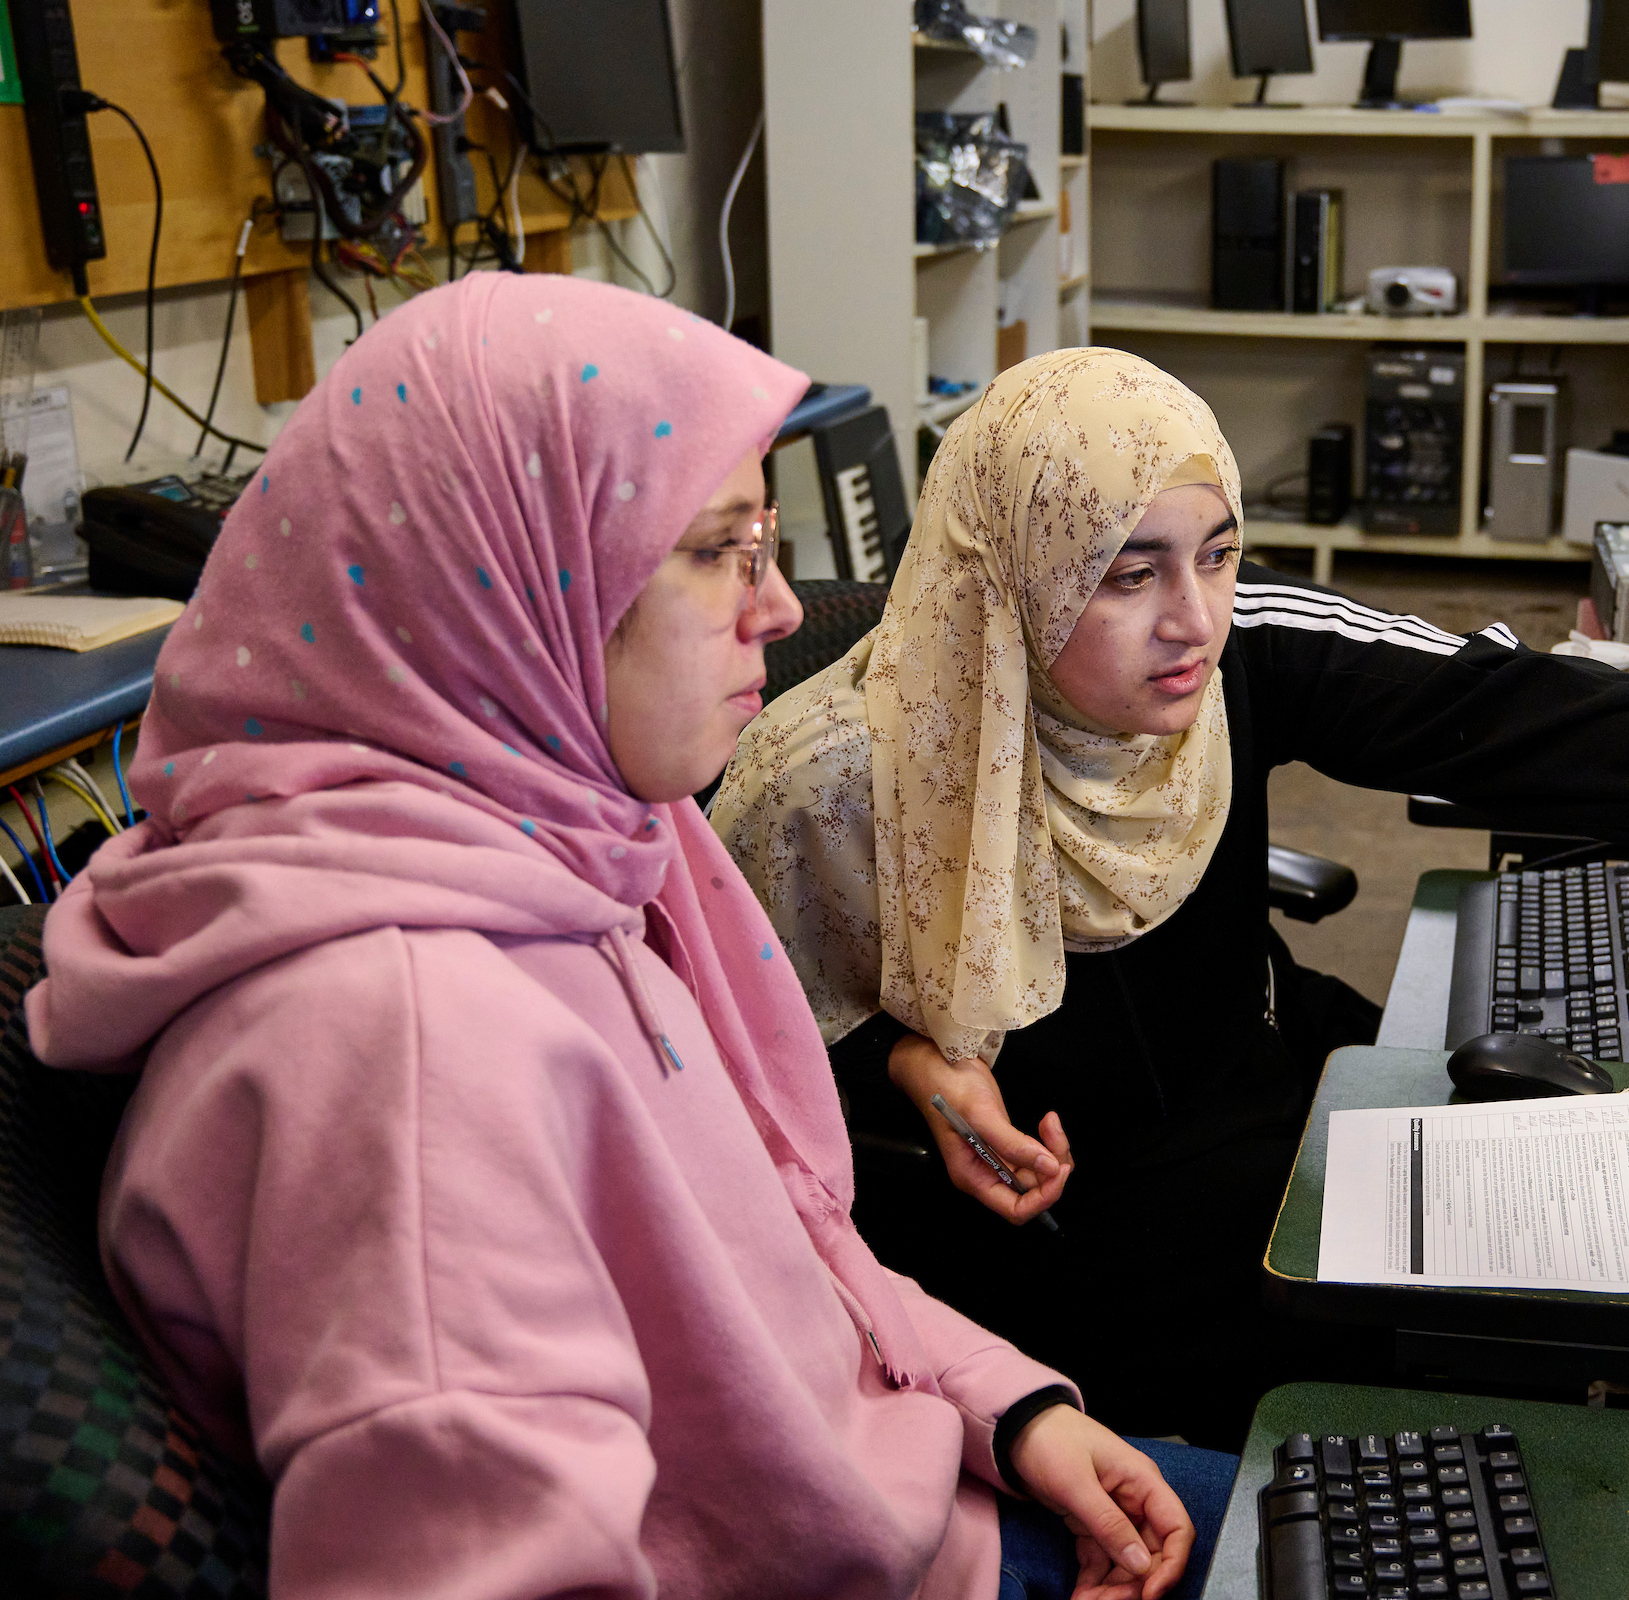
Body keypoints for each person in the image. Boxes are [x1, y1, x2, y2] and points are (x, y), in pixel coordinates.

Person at [29, 281, 1228, 1600]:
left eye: (766, 541)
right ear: (513, 590)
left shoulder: (581, 849)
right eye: (720, 548)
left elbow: (788, 1247)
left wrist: (1005, 1411)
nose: (775, 607)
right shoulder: (407, 1048)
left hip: (934, 1479)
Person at [710, 348, 1629, 1444]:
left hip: (1257, 1094)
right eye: (1127, 576)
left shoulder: (1223, 650)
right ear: (1007, 582)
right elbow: (723, 1093)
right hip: (1057, 1248)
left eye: (1217, 551)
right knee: (1501, 1338)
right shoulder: (826, 779)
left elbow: (1491, 708)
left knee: (1570, 1234)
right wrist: (913, 1067)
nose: (1195, 619)